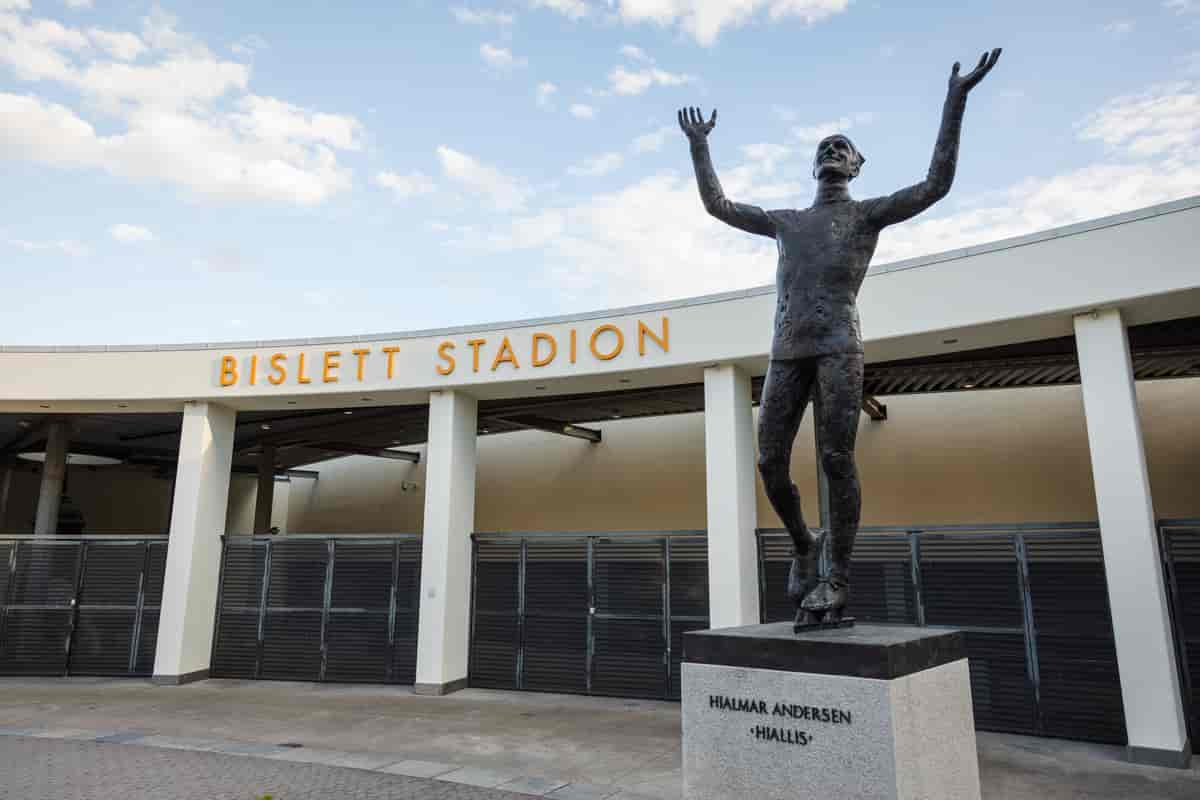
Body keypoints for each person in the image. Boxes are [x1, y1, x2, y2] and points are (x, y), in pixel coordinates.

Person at [679, 49, 1002, 626]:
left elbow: (936, 184)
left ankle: (837, 577)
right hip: (787, 348)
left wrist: (956, 100)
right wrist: (700, 145)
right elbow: (718, 205)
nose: (831, 152)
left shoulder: (866, 215)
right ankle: (805, 541)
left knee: (835, 456)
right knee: (769, 459)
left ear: (856, 167)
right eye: (823, 148)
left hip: (838, 345)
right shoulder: (787, 222)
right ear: (814, 169)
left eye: (842, 148)